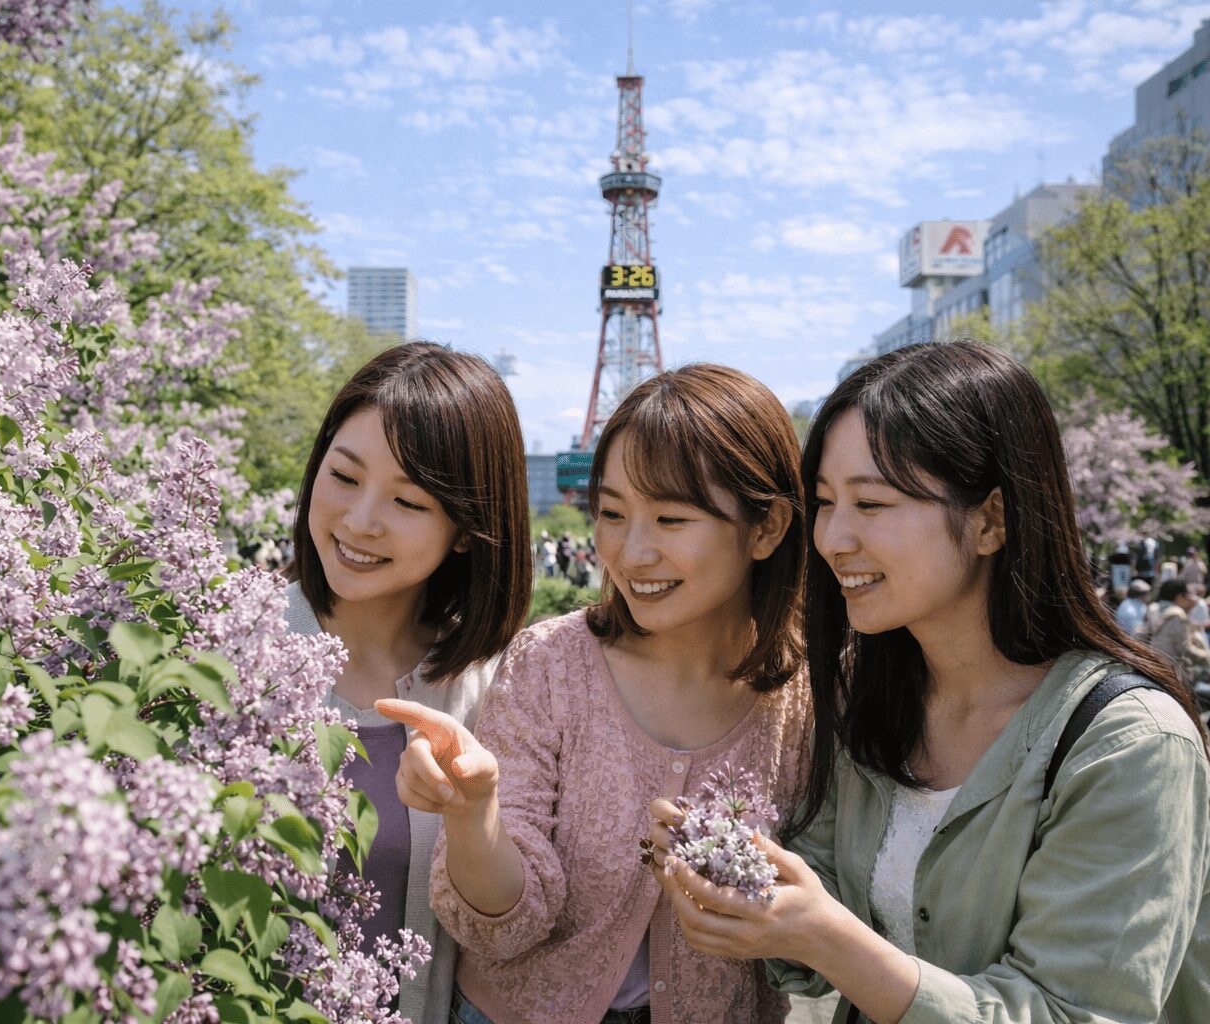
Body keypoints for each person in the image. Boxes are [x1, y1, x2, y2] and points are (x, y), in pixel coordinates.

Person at [649, 340, 1209, 1023]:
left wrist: (825, 936)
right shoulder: (866, 694)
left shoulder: (1129, 746)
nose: (833, 539)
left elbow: (1073, 1011)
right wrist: (733, 872)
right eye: (825, 502)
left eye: (872, 503)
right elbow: (819, 904)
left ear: (991, 520)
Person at [379, 363, 813, 1024]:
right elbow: (500, 928)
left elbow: (820, 922)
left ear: (767, 527)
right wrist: (474, 816)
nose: (631, 552)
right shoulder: (551, 665)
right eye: (611, 513)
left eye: (671, 518)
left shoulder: (803, 698)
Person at [283, 341, 534, 1024]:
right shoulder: (232, 647)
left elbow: (511, 927)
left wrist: (473, 812)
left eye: (407, 501)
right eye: (344, 475)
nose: (360, 520)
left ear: (466, 531)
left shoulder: (493, 688)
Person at [1152, 579, 1210, 685]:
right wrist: (1206, 655)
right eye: (1187, 596)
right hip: (1171, 672)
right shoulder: (1177, 615)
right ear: (1180, 597)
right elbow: (1185, 649)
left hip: (1153, 665)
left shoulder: (1153, 609)